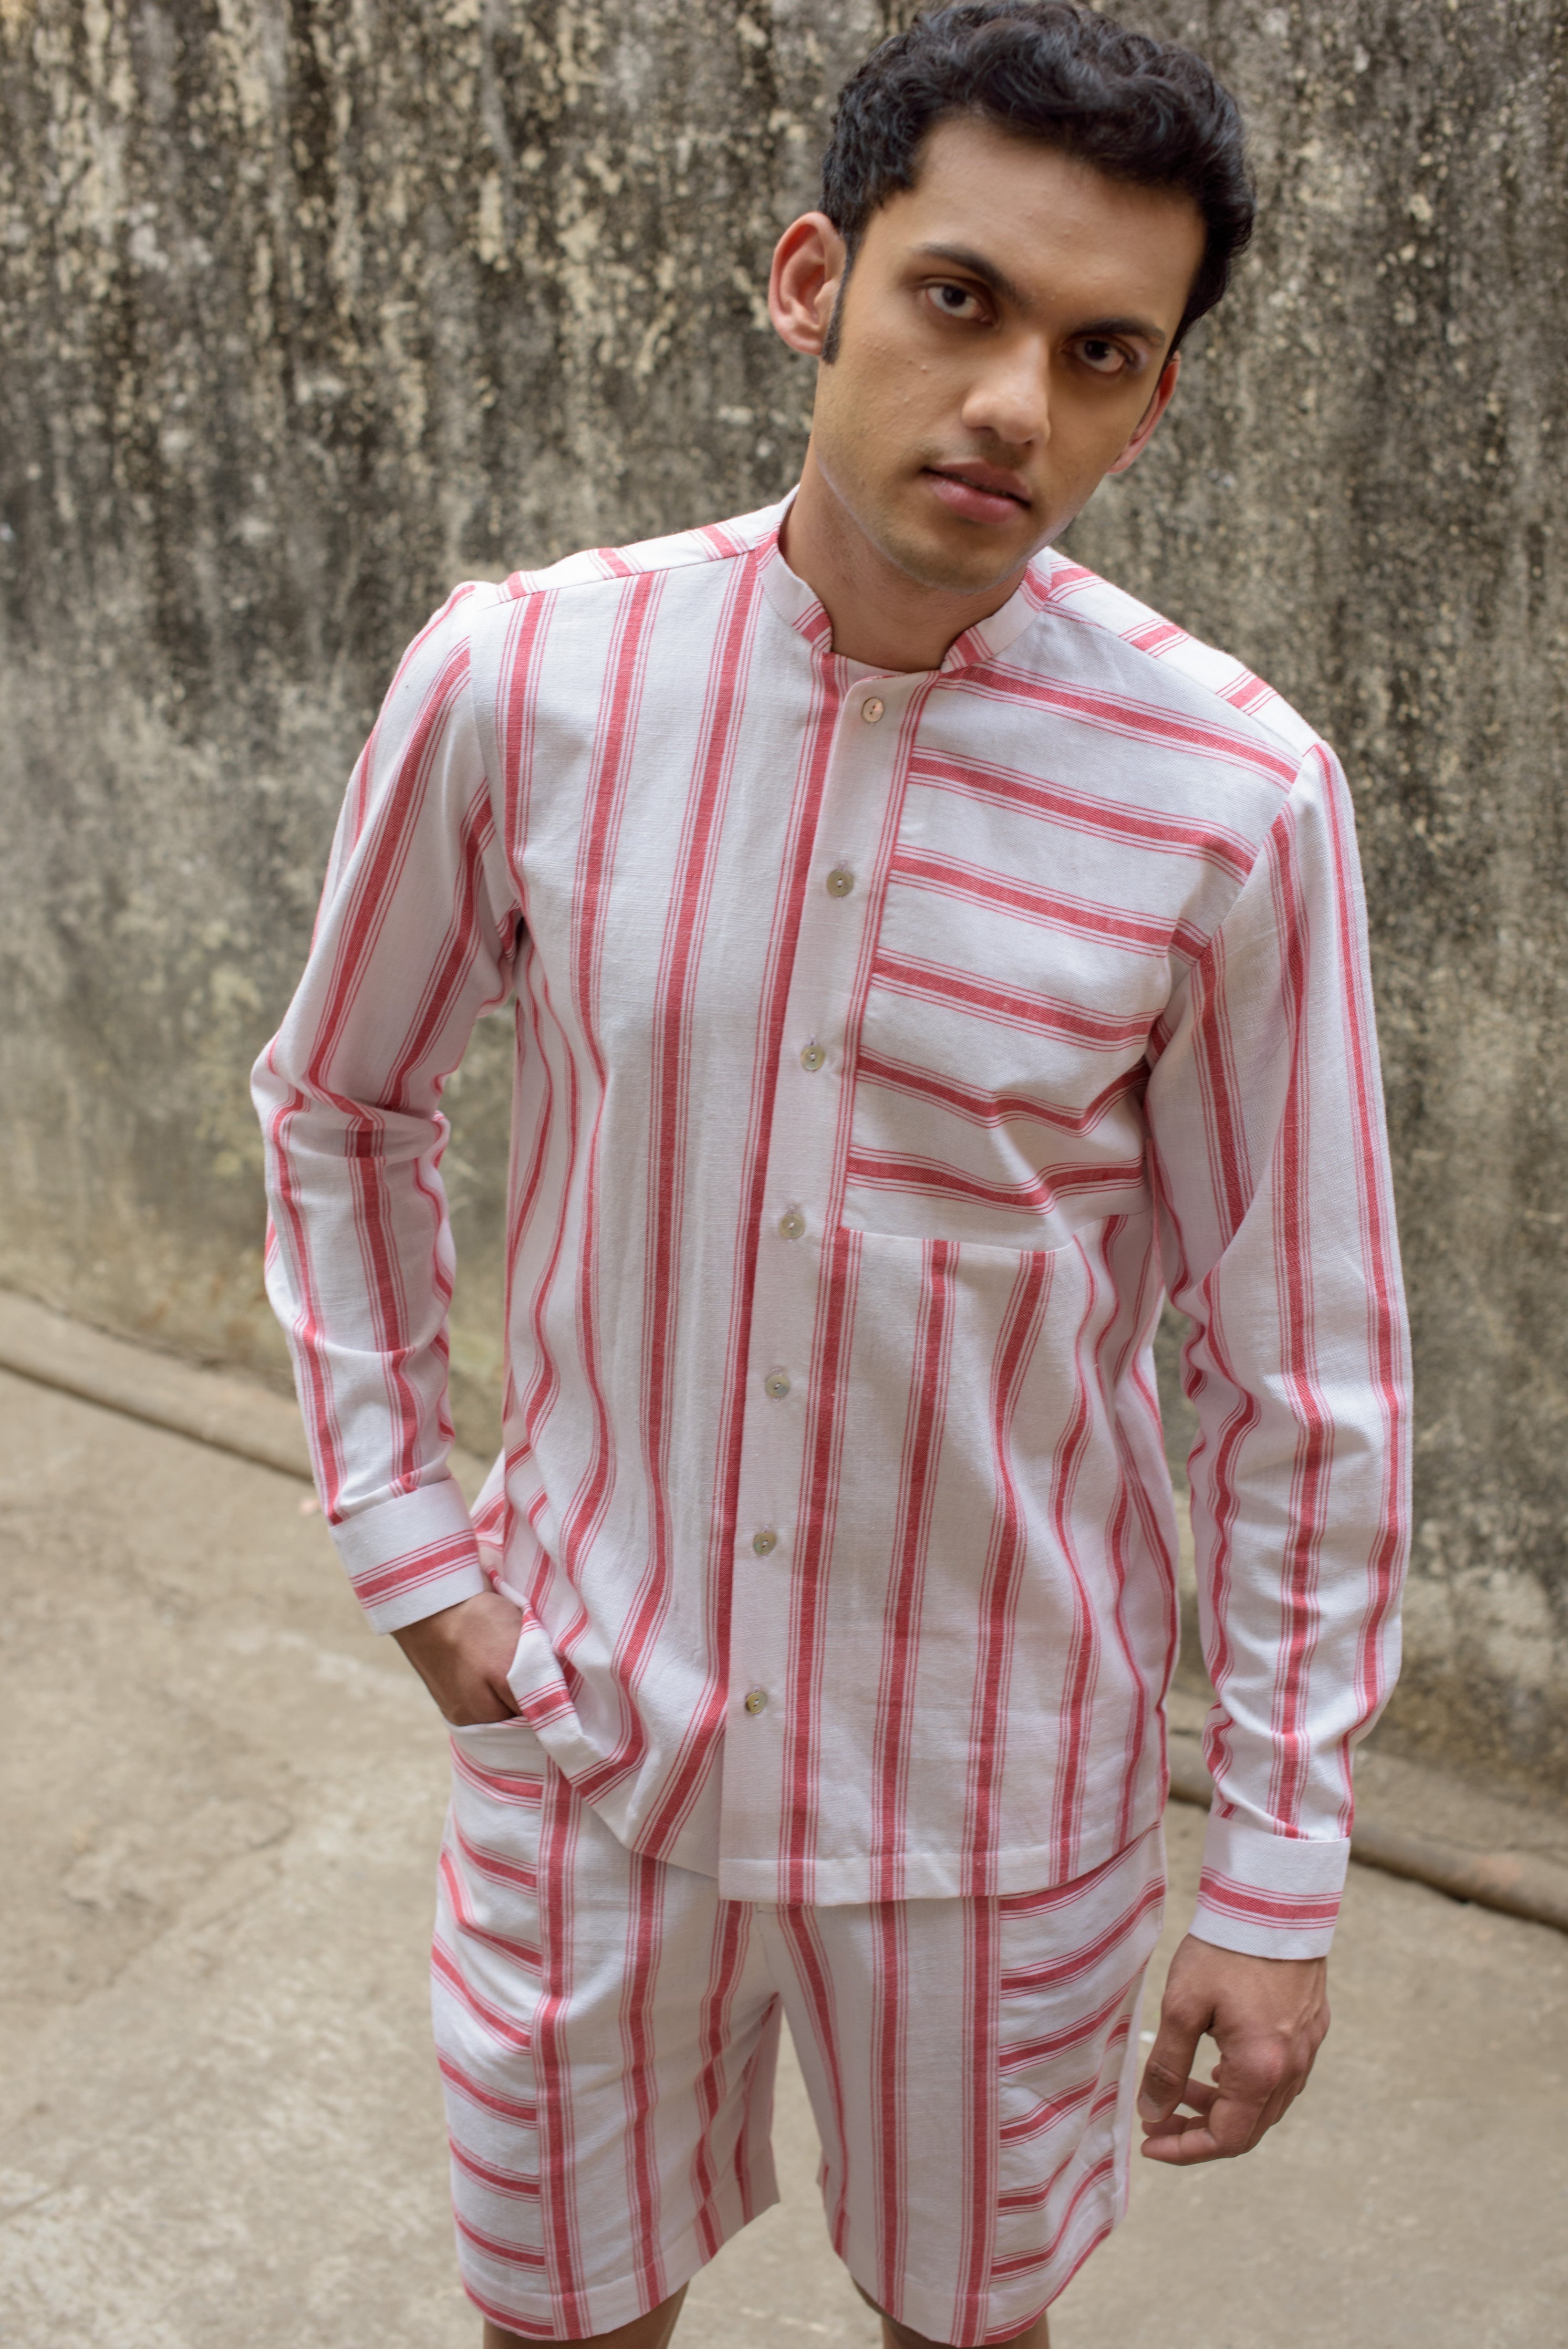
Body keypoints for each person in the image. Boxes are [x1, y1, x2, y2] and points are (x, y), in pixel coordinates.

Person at [253, 6, 1410, 2345]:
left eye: (1099, 352)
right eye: (956, 298)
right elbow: (342, 1103)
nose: (1011, 404)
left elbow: (1301, 1365)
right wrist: (411, 1548)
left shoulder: (1234, 799)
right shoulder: (525, 681)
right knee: (559, 2312)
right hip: (592, 1734)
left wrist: (1277, 1866)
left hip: (999, 1799)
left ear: (1152, 400)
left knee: (966, 2323)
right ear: (815, 280)